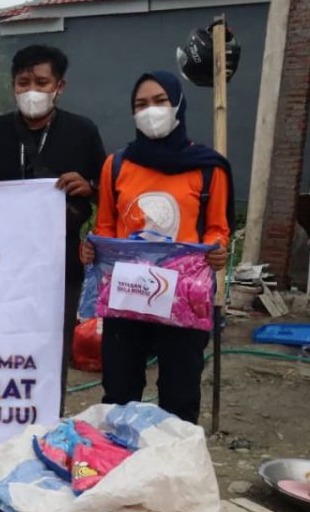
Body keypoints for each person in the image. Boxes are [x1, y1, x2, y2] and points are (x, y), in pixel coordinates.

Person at [80, 70, 232, 424]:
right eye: (141, 104)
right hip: (127, 293)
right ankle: (118, 464)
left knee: (180, 396)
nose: (151, 110)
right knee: (119, 391)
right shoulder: (116, 166)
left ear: (178, 104)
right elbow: (104, 227)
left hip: (184, 297)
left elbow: (217, 229)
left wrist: (218, 250)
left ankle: (174, 469)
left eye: (160, 101)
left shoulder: (209, 168)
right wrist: (90, 250)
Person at [0, 45, 106, 413]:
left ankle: (45, 426)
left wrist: (90, 187)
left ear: (60, 86)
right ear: (13, 86)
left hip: (59, 270)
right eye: (23, 82)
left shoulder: (83, 132)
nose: (32, 91)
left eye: (42, 82)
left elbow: (110, 196)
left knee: (50, 352)